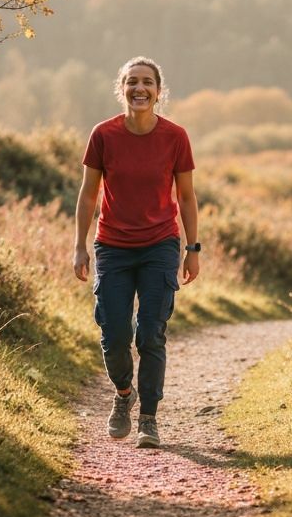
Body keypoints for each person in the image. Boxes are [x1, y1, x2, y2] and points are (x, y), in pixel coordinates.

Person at [73, 56, 200, 448]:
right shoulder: (103, 135)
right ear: (122, 88)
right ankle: (123, 394)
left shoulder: (175, 137)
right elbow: (88, 194)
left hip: (160, 245)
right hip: (112, 246)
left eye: (147, 82)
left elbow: (188, 196)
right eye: (132, 82)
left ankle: (148, 418)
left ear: (159, 91)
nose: (139, 89)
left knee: (150, 333)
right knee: (113, 333)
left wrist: (192, 249)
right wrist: (79, 245)